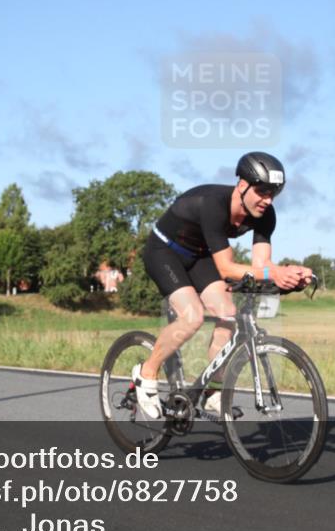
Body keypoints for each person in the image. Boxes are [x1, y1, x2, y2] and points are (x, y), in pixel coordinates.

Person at [134, 152, 312, 419]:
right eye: (262, 192)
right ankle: (146, 374)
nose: (267, 200)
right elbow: (228, 268)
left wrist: (290, 274)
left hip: (199, 255)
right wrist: (273, 274)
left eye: (273, 194)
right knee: (192, 316)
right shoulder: (213, 204)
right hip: (165, 251)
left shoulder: (265, 215)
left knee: (228, 314)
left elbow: (262, 265)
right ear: (242, 185)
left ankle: (211, 392)